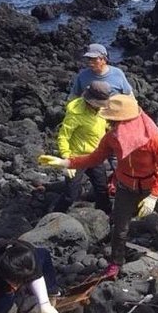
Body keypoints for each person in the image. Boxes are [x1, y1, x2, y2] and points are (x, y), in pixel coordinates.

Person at [38, 95, 158, 278]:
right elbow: (95, 158)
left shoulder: (153, 139)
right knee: (120, 228)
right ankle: (115, 263)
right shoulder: (112, 138)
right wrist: (65, 162)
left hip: (152, 185)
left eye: (114, 120)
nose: (111, 124)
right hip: (126, 187)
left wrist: (154, 195)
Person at [53, 81, 112, 214]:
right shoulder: (75, 114)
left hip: (96, 155)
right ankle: (54, 216)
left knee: (102, 189)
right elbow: (63, 136)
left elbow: (106, 125)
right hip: (77, 157)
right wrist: (66, 158)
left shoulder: (102, 110)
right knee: (70, 195)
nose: (99, 107)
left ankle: (106, 217)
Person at [0, 240, 59, 313]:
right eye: (16, 282)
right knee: (0, 305)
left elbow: (37, 274)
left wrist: (44, 304)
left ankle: (51, 294)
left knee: (43, 254)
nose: (17, 286)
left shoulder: (27, 254)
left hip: (14, 265)